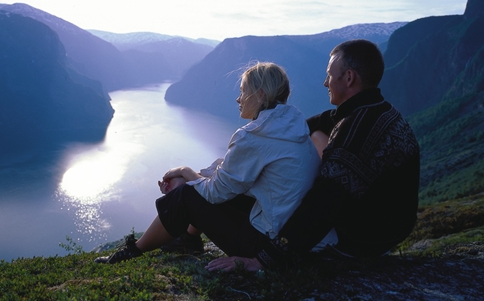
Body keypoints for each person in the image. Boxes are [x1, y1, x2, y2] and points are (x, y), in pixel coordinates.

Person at [210, 39, 421, 271]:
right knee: (314, 136)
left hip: (357, 242)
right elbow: (316, 124)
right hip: (382, 232)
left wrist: (264, 260)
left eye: (330, 75)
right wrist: (268, 135)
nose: (324, 83)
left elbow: (323, 204)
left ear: (349, 78)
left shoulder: (356, 132)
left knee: (257, 189)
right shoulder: (375, 111)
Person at [94, 62, 321, 266]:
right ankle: (189, 239)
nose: (238, 99)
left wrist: (185, 173)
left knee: (187, 196)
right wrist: (195, 178)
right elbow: (232, 179)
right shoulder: (292, 124)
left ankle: (131, 253)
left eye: (243, 92)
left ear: (260, 95)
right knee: (206, 187)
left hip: (267, 247)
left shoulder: (254, 135)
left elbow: (215, 193)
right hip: (294, 236)